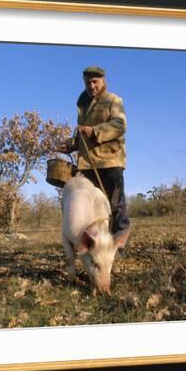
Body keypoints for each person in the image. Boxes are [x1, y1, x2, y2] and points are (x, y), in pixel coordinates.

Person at [58, 66, 131, 246]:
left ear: (103, 81)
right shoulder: (83, 104)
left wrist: (95, 131)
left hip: (109, 160)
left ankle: (119, 244)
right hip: (88, 164)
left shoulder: (113, 100)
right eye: (88, 82)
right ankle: (98, 246)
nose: (91, 86)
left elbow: (119, 125)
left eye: (95, 82)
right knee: (93, 208)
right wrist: (71, 145)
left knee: (115, 206)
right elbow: (82, 134)